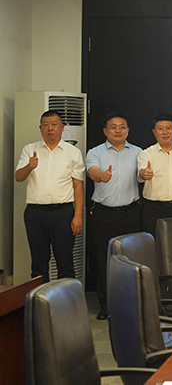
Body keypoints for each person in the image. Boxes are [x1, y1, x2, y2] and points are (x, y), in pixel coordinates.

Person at [15, 110, 85, 281]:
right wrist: (29, 166)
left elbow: (78, 187)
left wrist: (77, 216)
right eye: (45, 125)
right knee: (38, 263)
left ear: (62, 128)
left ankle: (66, 298)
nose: (50, 128)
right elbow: (18, 177)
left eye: (54, 124)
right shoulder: (30, 149)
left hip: (63, 213)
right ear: (40, 128)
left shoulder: (72, 152)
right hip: (35, 213)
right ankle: (40, 298)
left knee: (65, 262)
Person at [85, 112, 142, 320]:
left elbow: (143, 174)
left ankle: (131, 304)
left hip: (131, 212)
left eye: (122, 127)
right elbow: (92, 172)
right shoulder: (95, 152)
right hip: (103, 214)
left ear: (128, 130)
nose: (118, 130)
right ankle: (106, 306)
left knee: (131, 260)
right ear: (105, 131)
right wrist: (101, 176)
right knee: (104, 259)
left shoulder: (138, 152)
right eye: (113, 127)